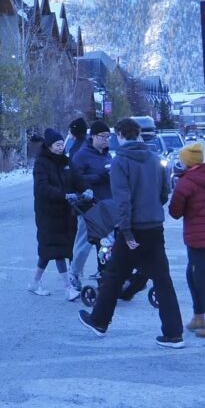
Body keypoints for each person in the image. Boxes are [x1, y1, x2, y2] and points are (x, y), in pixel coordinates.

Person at [78, 117, 184, 349]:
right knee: (162, 280)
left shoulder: (120, 162)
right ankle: (173, 332)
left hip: (132, 229)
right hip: (154, 226)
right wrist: (152, 209)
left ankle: (99, 321)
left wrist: (125, 231)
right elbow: (165, 192)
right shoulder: (155, 159)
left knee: (114, 275)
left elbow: (122, 200)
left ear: (119, 136)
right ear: (139, 134)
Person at [168, 142, 205, 339]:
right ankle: (198, 316)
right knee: (193, 273)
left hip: (196, 237)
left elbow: (175, 212)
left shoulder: (186, 183)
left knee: (200, 277)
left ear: (186, 162)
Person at [29, 128, 85, 299]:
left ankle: (34, 282)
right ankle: (68, 288)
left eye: (62, 144)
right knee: (58, 250)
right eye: (57, 145)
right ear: (49, 146)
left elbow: (77, 179)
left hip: (66, 213)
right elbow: (41, 188)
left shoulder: (66, 162)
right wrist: (63, 195)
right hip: (48, 213)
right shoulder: (41, 163)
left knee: (49, 251)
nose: (61, 147)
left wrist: (87, 189)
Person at [69, 120, 112, 294]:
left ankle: (104, 272)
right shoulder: (81, 155)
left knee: (105, 244)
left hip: (106, 205)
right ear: (93, 136)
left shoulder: (108, 155)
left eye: (108, 137)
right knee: (84, 244)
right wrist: (100, 177)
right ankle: (74, 273)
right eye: (103, 136)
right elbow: (75, 180)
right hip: (88, 207)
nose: (106, 140)